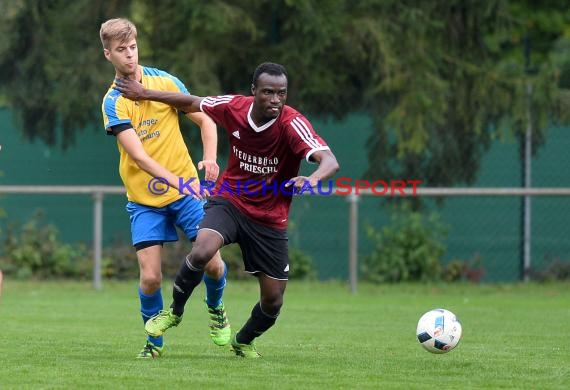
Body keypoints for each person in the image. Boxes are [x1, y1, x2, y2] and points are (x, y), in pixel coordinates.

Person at [114, 62, 340, 358]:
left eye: (281, 93)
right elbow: (191, 102)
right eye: (268, 92)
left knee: (273, 302)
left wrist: (312, 179)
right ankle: (175, 312)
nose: (275, 99)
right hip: (231, 201)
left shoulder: (291, 123)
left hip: (270, 218)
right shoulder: (233, 107)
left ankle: (244, 340)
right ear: (254, 92)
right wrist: (145, 93)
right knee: (202, 250)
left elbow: (330, 161)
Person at [99, 18, 231, 359]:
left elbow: (205, 118)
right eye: (120, 50)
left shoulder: (164, 81)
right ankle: (154, 342)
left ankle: (216, 309)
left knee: (214, 265)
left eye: (132, 47)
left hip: (186, 195)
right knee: (151, 279)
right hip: (145, 201)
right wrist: (181, 182)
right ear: (107, 55)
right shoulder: (113, 103)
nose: (129, 56)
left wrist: (211, 158)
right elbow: (140, 157)